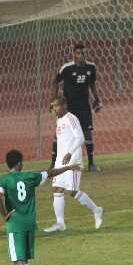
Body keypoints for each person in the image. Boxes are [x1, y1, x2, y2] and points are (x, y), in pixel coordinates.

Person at [0, 149, 80, 265]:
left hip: (15, 224)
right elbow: (51, 173)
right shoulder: (30, 176)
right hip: (29, 223)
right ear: (19, 163)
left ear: (7, 164)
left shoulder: (3, 180)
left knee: (19, 259)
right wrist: (69, 168)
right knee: (21, 258)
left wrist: (5, 214)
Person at [44, 96, 103, 233]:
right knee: (57, 189)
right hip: (61, 162)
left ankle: (96, 210)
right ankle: (60, 223)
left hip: (73, 160)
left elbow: (81, 137)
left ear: (64, 105)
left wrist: (70, 153)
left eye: (56, 106)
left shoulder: (72, 118)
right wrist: (55, 162)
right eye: (53, 106)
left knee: (72, 191)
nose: (53, 109)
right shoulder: (58, 120)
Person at [52, 42, 102, 172]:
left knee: (87, 134)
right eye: (79, 53)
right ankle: (53, 165)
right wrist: (54, 101)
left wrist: (97, 98)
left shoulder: (91, 67)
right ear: (74, 54)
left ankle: (91, 164)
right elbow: (55, 82)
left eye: (83, 53)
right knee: (59, 134)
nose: (81, 55)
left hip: (84, 107)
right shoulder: (66, 68)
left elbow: (92, 84)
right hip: (68, 108)